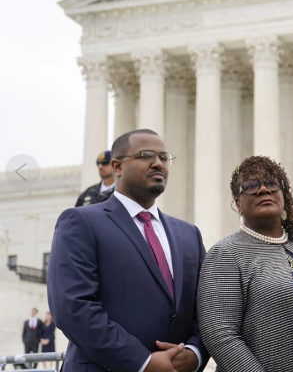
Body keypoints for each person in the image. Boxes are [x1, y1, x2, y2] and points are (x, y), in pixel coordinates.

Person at [48, 129, 209, 372]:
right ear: (117, 166)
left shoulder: (189, 234)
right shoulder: (82, 221)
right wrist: (142, 362)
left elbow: (207, 307)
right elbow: (72, 307)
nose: (158, 163)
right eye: (146, 156)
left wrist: (194, 354)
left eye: (164, 158)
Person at [198, 156, 293, 371]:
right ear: (238, 204)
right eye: (251, 186)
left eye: (271, 183)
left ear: (283, 195)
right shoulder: (226, 253)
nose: (263, 190)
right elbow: (220, 333)